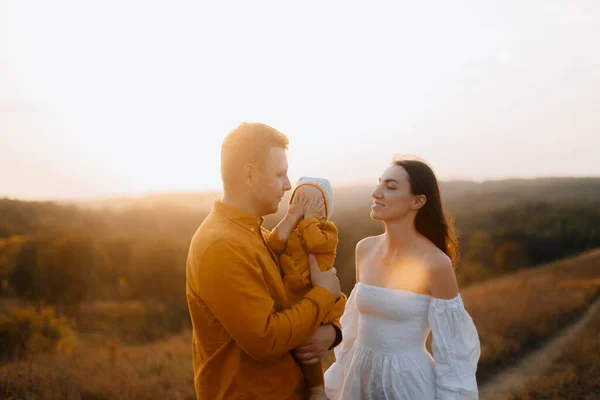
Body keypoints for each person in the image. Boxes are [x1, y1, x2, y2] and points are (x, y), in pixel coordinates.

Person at [185, 122, 343, 400]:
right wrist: (323, 295)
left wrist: (330, 332)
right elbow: (265, 340)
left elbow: (296, 297)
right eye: (280, 173)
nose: (288, 185)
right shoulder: (221, 244)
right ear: (249, 174)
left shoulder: (260, 234)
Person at [324, 158, 481, 400]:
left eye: (390, 186)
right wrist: (340, 374)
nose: (376, 193)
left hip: (406, 384)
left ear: (417, 201)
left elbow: (453, 353)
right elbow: (354, 326)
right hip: (358, 378)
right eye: (379, 184)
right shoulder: (364, 249)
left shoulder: (436, 263)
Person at [267, 177, 347, 399]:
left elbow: (315, 243)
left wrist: (309, 219)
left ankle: (317, 390)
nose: (304, 206)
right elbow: (274, 242)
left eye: (313, 202)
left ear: (325, 210)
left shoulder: (328, 230)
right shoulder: (290, 229)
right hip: (290, 295)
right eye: (300, 200)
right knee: (291, 346)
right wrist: (291, 216)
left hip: (313, 293)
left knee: (309, 350)